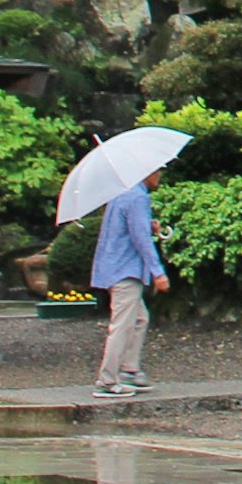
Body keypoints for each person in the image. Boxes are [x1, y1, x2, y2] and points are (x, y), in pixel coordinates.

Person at [91, 167, 169, 397]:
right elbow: (140, 239)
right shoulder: (137, 197)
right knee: (123, 324)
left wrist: (148, 226)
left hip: (116, 266)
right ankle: (107, 379)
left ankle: (129, 370)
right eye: (158, 171)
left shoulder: (122, 193)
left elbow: (130, 230)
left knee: (139, 319)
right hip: (126, 269)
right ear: (146, 172)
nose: (160, 176)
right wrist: (158, 272)